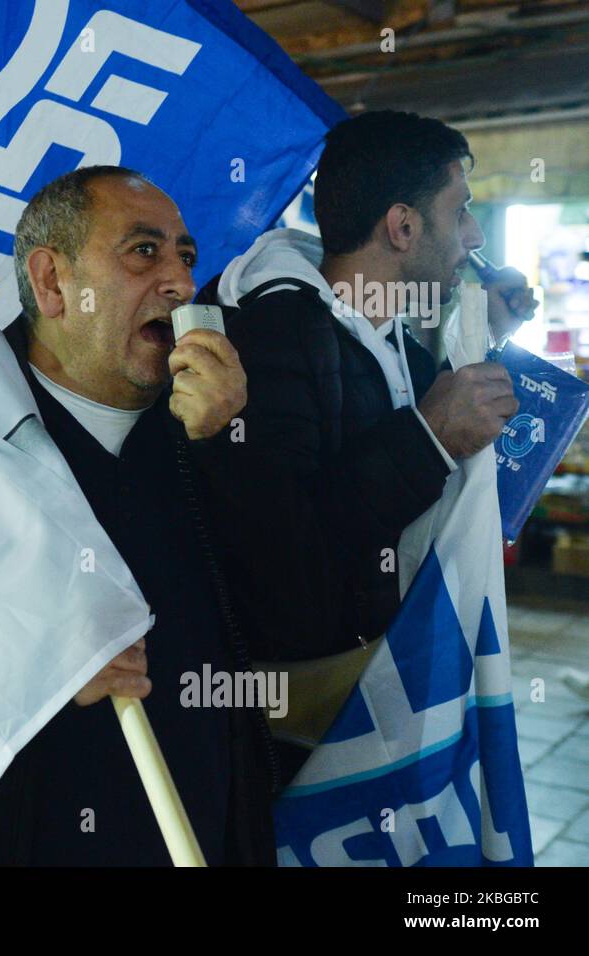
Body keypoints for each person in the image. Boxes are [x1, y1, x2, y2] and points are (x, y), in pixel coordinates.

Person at [0, 167, 277, 867]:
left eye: (186, 257)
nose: (183, 286)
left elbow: (289, 611)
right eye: (143, 252)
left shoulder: (213, 426)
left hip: (203, 821)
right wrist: (26, 661)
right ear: (51, 282)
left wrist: (229, 447)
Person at [191, 111, 519, 780]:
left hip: (377, 685)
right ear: (402, 227)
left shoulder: (388, 330)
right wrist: (427, 440)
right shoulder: (272, 337)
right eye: (461, 212)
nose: (475, 238)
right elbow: (284, 561)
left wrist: (487, 340)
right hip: (292, 729)